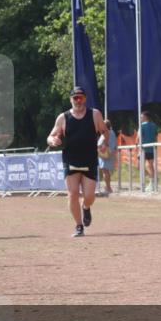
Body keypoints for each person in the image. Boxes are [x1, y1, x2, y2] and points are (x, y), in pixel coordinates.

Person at [47, 86, 108, 237]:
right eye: (75, 98)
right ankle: (79, 226)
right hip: (70, 160)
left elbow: (105, 132)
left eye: (81, 98)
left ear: (85, 99)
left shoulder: (95, 114)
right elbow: (51, 136)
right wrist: (53, 140)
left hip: (89, 160)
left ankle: (86, 207)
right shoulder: (63, 117)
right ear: (71, 100)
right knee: (72, 194)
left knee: (89, 196)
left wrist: (103, 142)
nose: (78, 101)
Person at [139, 111, 157, 192]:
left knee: (142, 165)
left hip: (144, 148)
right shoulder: (154, 125)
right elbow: (156, 137)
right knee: (150, 165)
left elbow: (139, 137)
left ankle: (151, 181)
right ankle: (152, 181)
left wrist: (137, 146)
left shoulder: (141, 126)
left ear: (146, 117)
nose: (140, 118)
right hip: (152, 148)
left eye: (141, 117)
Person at [98, 119, 116, 196]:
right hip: (106, 153)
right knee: (105, 171)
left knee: (105, 171)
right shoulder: (110, 132)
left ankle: (108, 187)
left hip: (106, 153)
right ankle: (108, 187)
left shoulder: (107, 133)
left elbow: (104, 143)